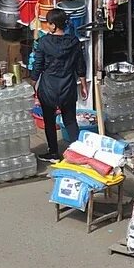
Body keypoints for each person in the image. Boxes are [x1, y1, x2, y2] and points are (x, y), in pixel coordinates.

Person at [30, 9, 88, 162]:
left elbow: (38, 66)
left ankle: (53, 153)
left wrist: (32, 85)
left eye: (48, 23)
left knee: (49, 121)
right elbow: (80, 65)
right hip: (68, 87)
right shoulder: (74, 42)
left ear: (54, 26)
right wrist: (83, 85)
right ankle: (77, 153)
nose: (48, 26)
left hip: (48, 89)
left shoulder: (43, 43)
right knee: (70, 120)